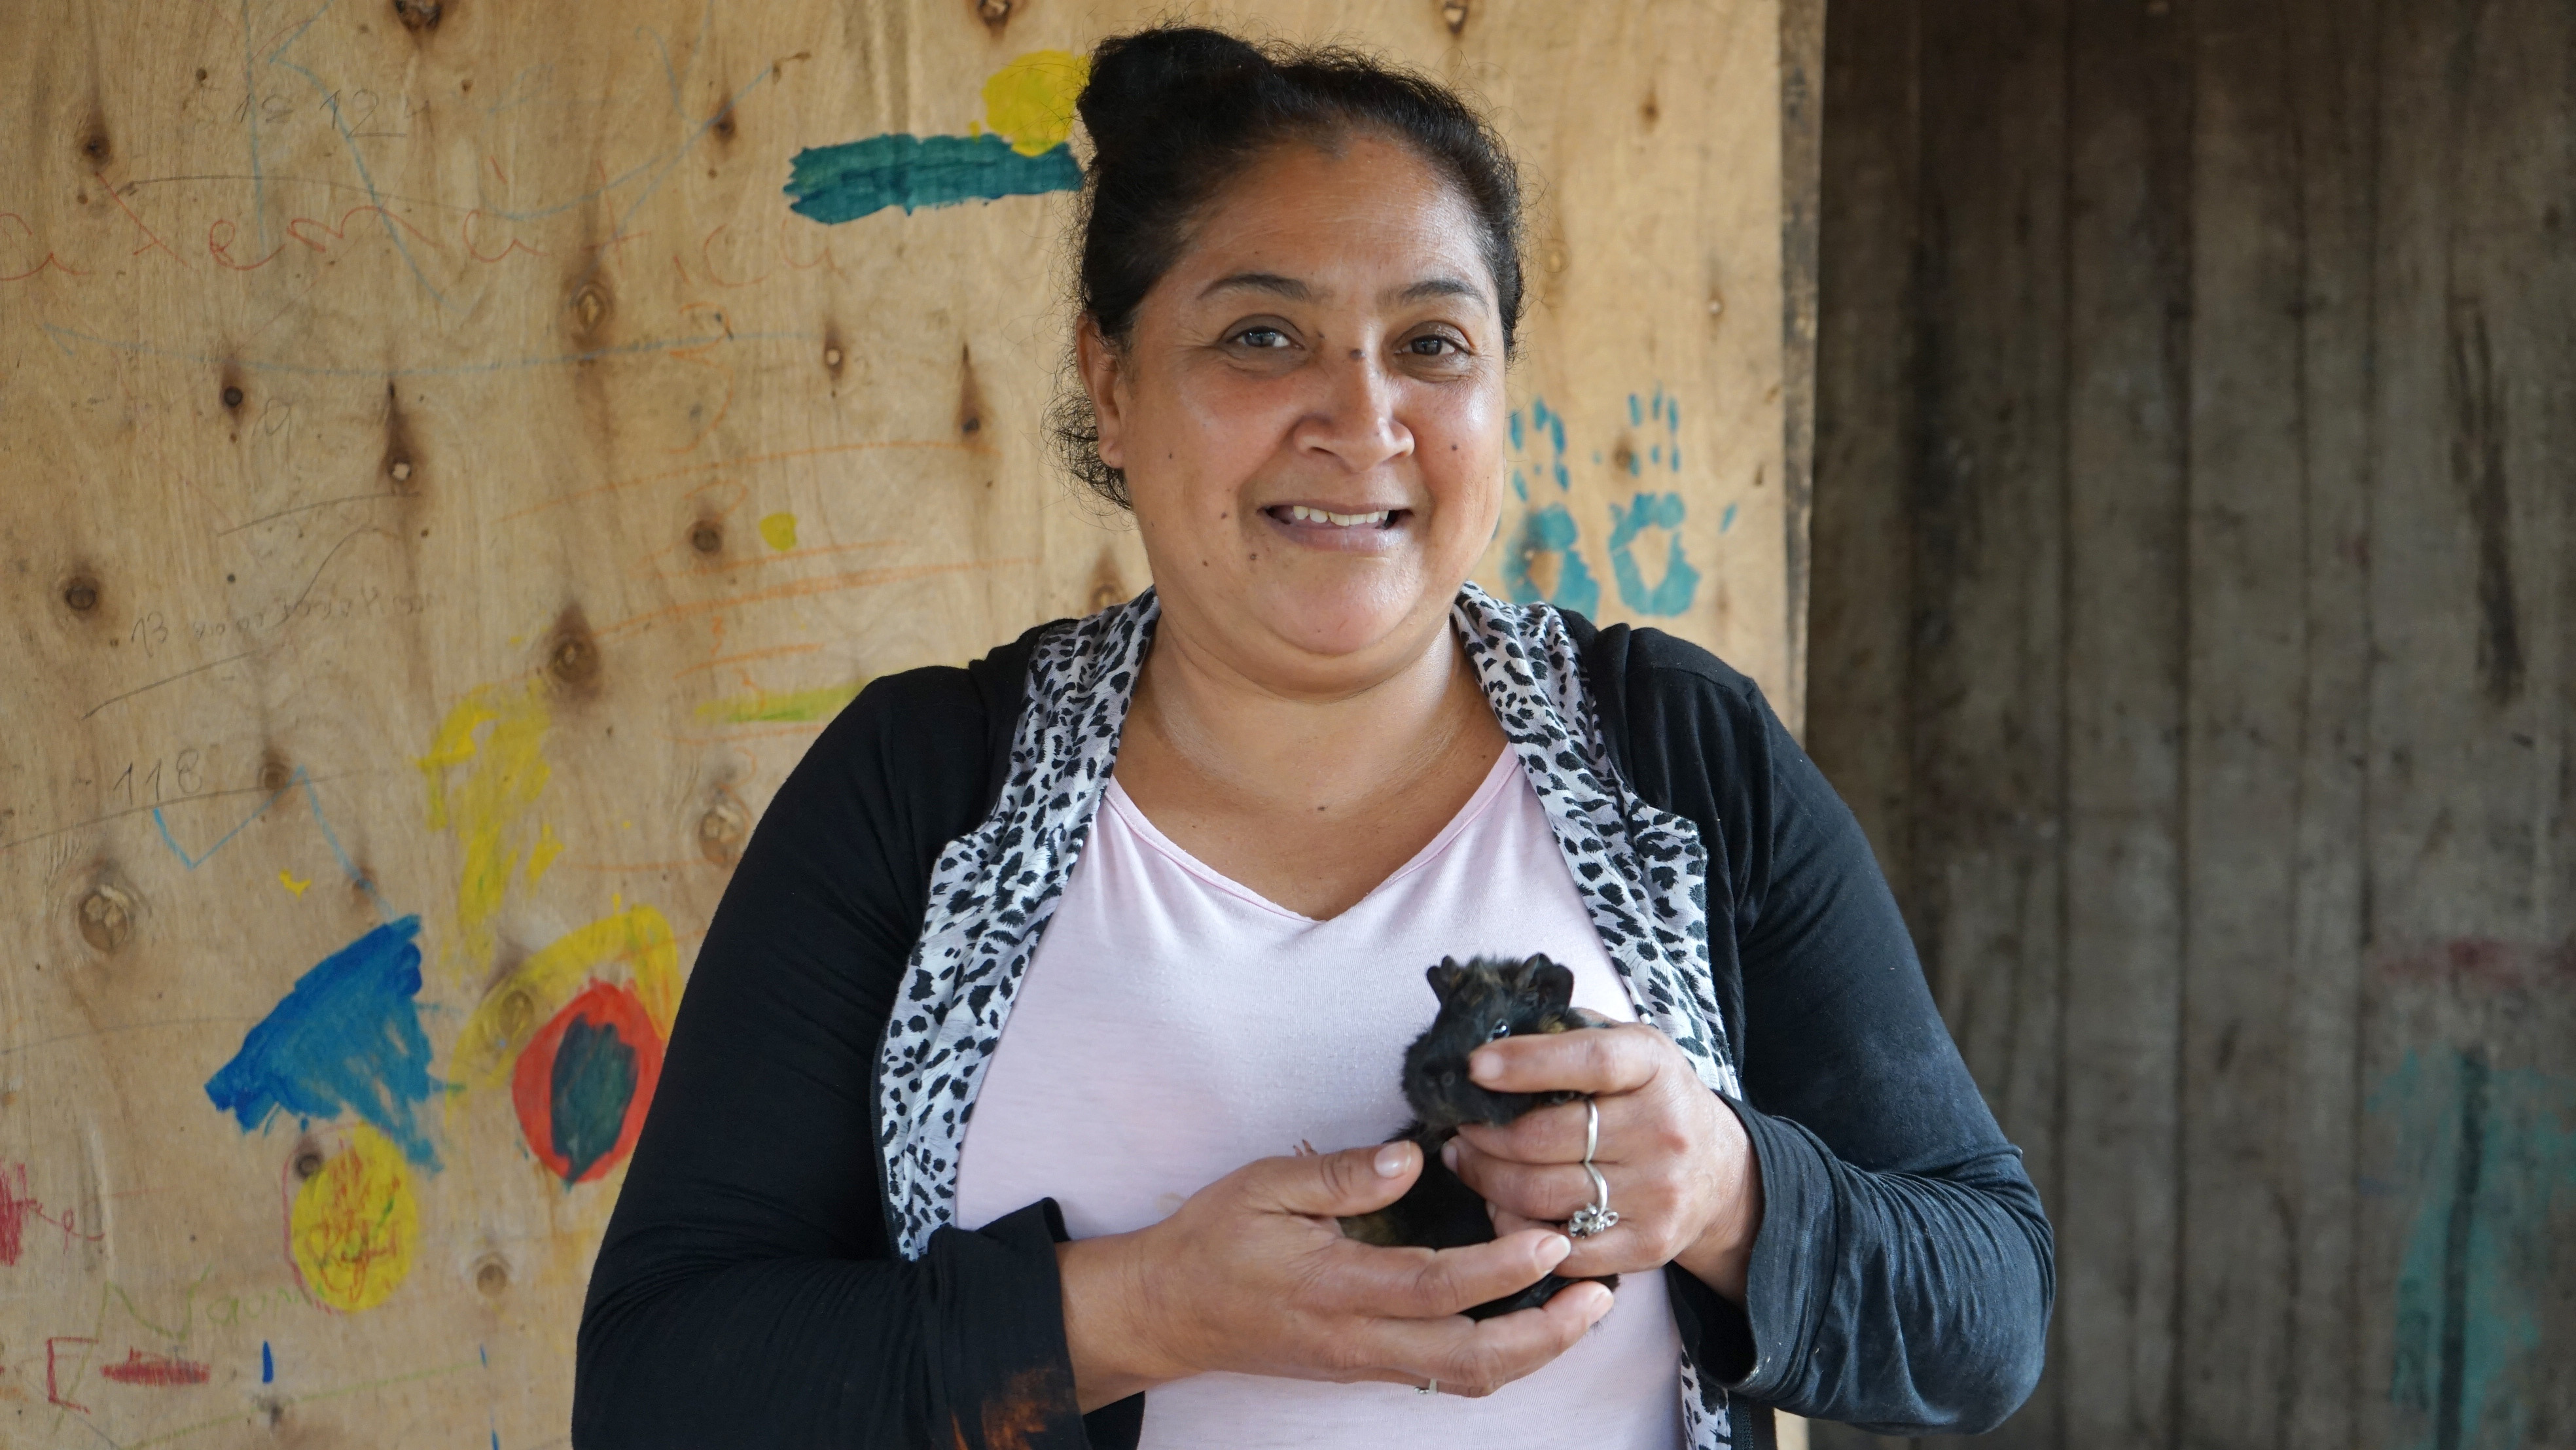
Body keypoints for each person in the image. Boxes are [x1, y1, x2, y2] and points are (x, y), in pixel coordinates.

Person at [573, 25, 2051, 1450]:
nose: (1363, 418)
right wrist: (1137, 1309)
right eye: (1262, 334)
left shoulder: (1673, 759)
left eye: (1431, 342)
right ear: (1113, 378)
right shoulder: (926, 790)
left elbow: (1988, 1315)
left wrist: (1729, 1193)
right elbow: (658, 1387)